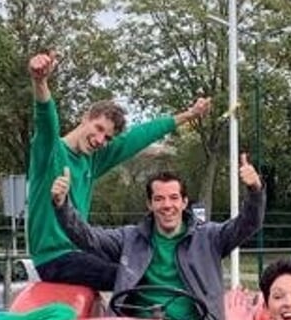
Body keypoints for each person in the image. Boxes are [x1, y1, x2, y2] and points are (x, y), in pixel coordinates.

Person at [26, 50, 211, 289]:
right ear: (86, 118)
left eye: (107, 137)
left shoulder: (91, 160)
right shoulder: (50, 152)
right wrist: (40, 81)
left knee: (142, 261)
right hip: (55, 259)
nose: (100, 140)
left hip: (80, 250)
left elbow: (137, 137)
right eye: (99, 128)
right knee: (134, 278)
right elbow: (46, 120)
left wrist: (189, 115)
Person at [52, 154, 264, 320]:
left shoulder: (210, 237)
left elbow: (248, 223)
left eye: (173, 198)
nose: (167, 205)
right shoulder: (130, 238)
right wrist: (63, 206)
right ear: (149, 204)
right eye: (159, 199)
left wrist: (255, 190)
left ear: (184, 202)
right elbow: (89, 238)